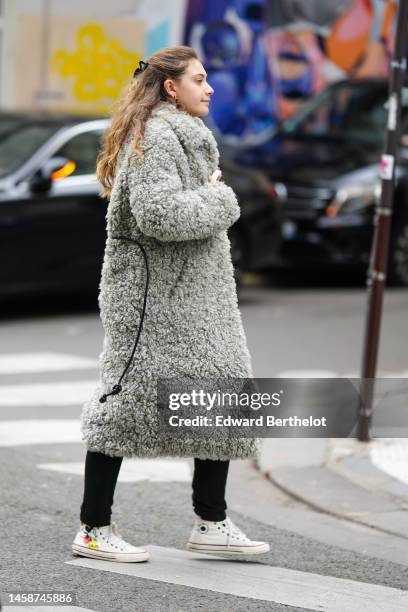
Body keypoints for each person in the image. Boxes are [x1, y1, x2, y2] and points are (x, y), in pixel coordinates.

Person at [72, 45, 270, 562]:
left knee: (222, 394)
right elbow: (160, 215)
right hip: (152, 301)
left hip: (196, 299)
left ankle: (211, 520)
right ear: (170, 87)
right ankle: (93, 528)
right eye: (200, 80)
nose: (209, 89)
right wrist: (221, 198)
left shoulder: (184, 135)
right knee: (124, 405)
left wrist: (208, 192)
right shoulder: (157, 137)